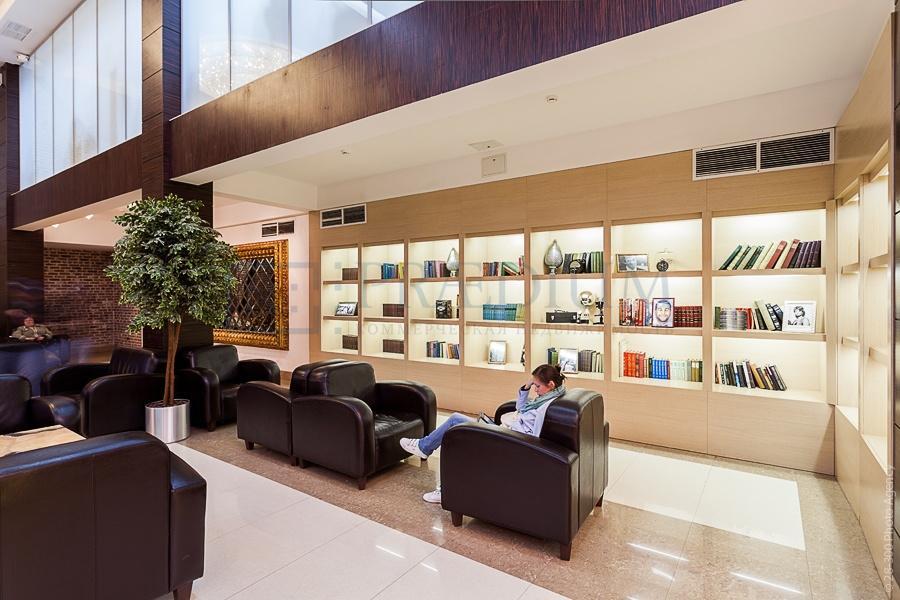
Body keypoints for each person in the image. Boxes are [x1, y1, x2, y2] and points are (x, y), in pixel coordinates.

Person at [399, 364, 567, 503]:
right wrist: (527, 385)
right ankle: (426, 450)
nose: (535, 390)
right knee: (456, 425)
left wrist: (504, 429)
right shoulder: (547, 397)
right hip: (504, 433)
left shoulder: (543, 407)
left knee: (456, 426)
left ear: (551, 384)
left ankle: (440, 480)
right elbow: (520, 408)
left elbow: (531, 437)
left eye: (537, 386)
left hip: (507, 440)